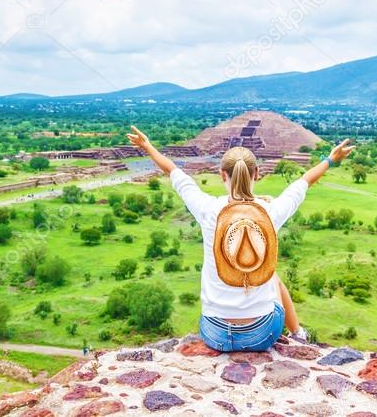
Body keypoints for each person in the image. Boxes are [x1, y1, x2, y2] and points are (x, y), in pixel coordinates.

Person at [126, 125, 355, 352]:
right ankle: (299, 335)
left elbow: (174, 172)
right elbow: (303, 182)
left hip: (214, 334)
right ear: (257, 174)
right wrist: (331, 159)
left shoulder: (207, 209)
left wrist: (147, 146)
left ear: (222, 174)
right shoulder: (269, 211)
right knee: (272, 276)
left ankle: (292, 333)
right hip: (262, 334)